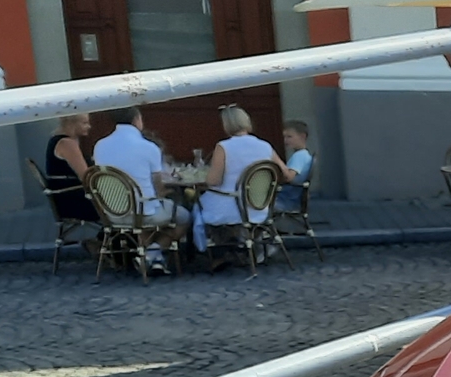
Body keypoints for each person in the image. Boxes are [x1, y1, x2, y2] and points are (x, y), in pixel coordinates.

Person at [94, 106, 183, 272]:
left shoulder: (100, 146)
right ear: (136, 120)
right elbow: (158, 188)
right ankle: (152, 252)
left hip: (112, 213)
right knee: (184, 216)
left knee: (146, 208)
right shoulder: (148, 147)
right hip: (143, 213)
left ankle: (151, 259)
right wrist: (168, 192)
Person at [193, 105, 277, 263]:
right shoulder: (265, 146)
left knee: (198, 204)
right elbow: (283, 172)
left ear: (226, 124)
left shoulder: (224, 147)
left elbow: (214, 181)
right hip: (258, 205)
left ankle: (218, 251)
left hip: (231, 206)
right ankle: (242, 245)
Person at [43, 113, 99, 223]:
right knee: (123, 205)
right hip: (75, 202)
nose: (89, 126)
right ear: (72, 124)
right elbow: (86, 177)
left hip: (64, 200)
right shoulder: (67, 144)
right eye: (84, 123)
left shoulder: (56, 140)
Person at [276, 120, 314, 213]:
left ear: (302, 136)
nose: (286, 140)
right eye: (284, 137)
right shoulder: (305, 155)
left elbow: (289, 177)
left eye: (289, 137)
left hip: (287, 200)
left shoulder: (299, 156)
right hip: (293, 198)